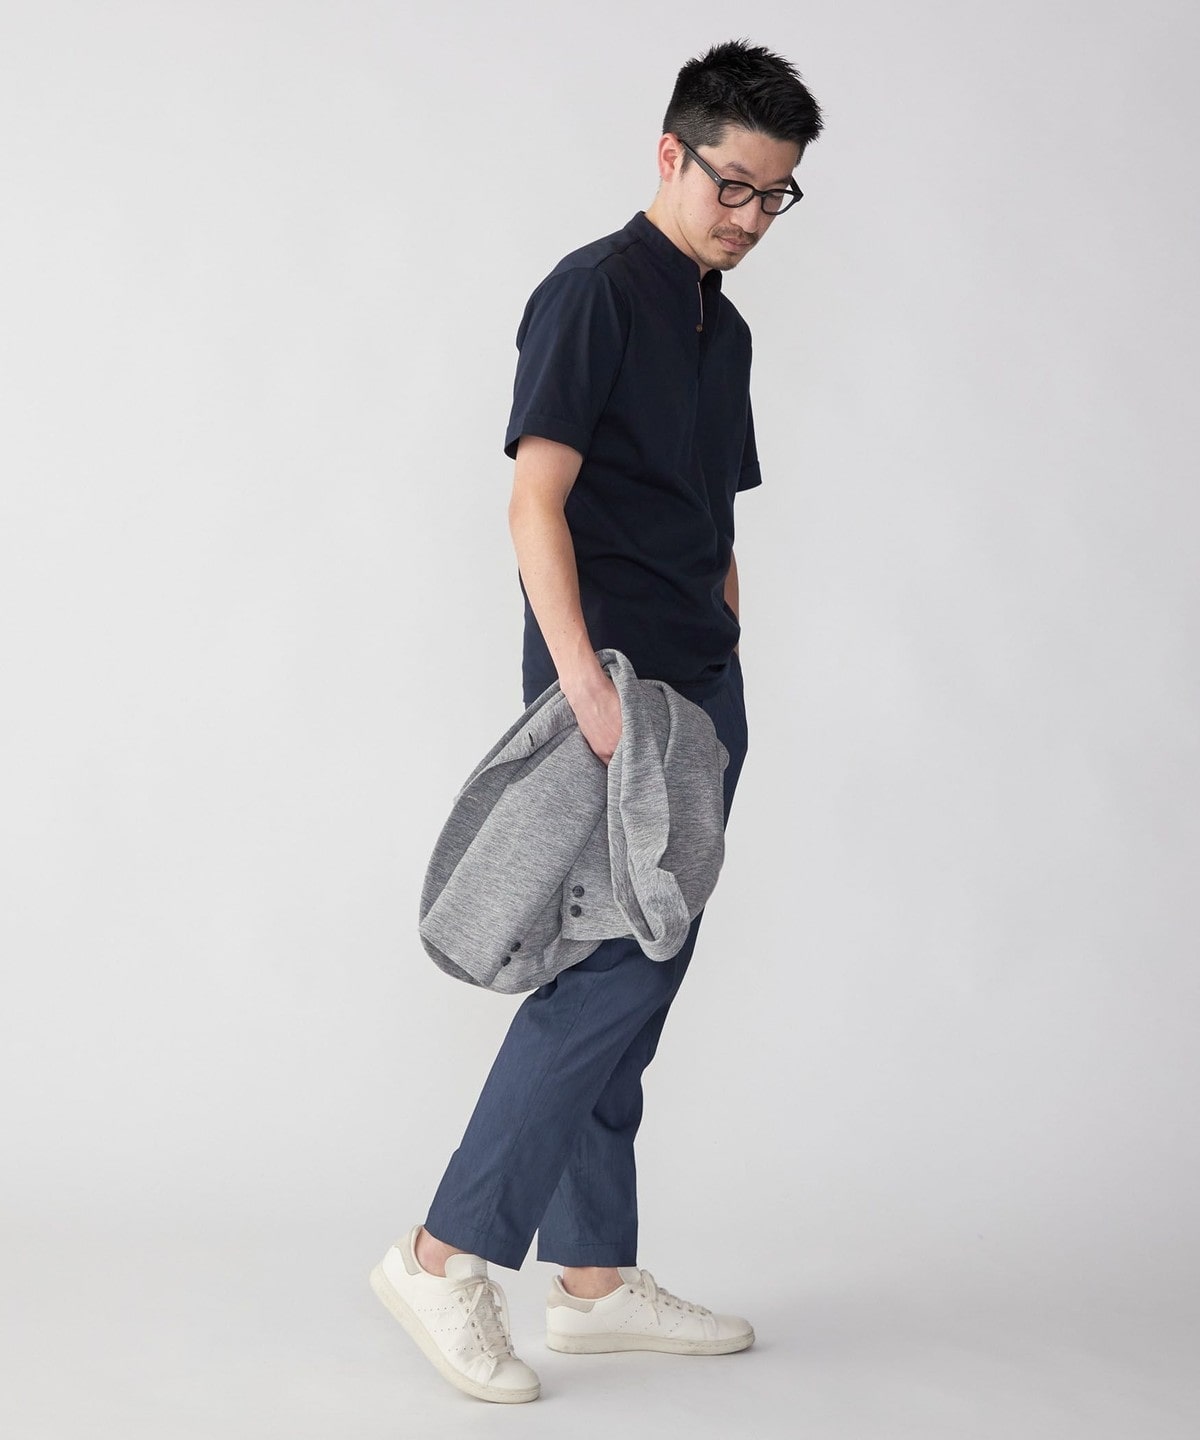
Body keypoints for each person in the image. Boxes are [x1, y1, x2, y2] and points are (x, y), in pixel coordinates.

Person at [371, 39, 823, 1405]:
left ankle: (592, 1279)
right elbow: (535, 499)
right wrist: (584, 688)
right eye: (732, 185)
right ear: (670, 154)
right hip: (612, 690)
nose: (750, 218)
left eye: (775, 196)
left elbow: (714, 514)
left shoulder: (725, 329)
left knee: (641, 977)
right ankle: (443, 1256)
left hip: (699, 697)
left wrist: (727, 659)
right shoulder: (592, 293)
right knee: (612, 975)